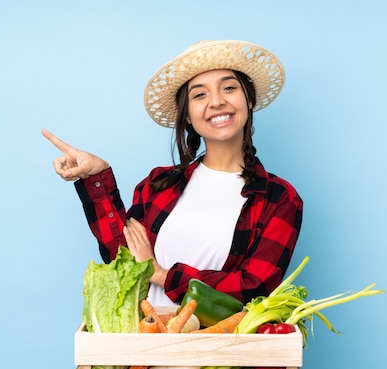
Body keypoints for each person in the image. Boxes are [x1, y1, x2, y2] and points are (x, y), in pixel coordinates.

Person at [44, 40, 303, 307]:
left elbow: (253, 287)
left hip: (221, 344)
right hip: (145, 338)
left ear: (248, 100)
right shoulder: (159, 184)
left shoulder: (279, 199)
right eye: (199, 95)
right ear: (188, 115)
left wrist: (160, 274)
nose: (216, 101)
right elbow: (121, 261)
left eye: (228, 88)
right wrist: (96, 176)